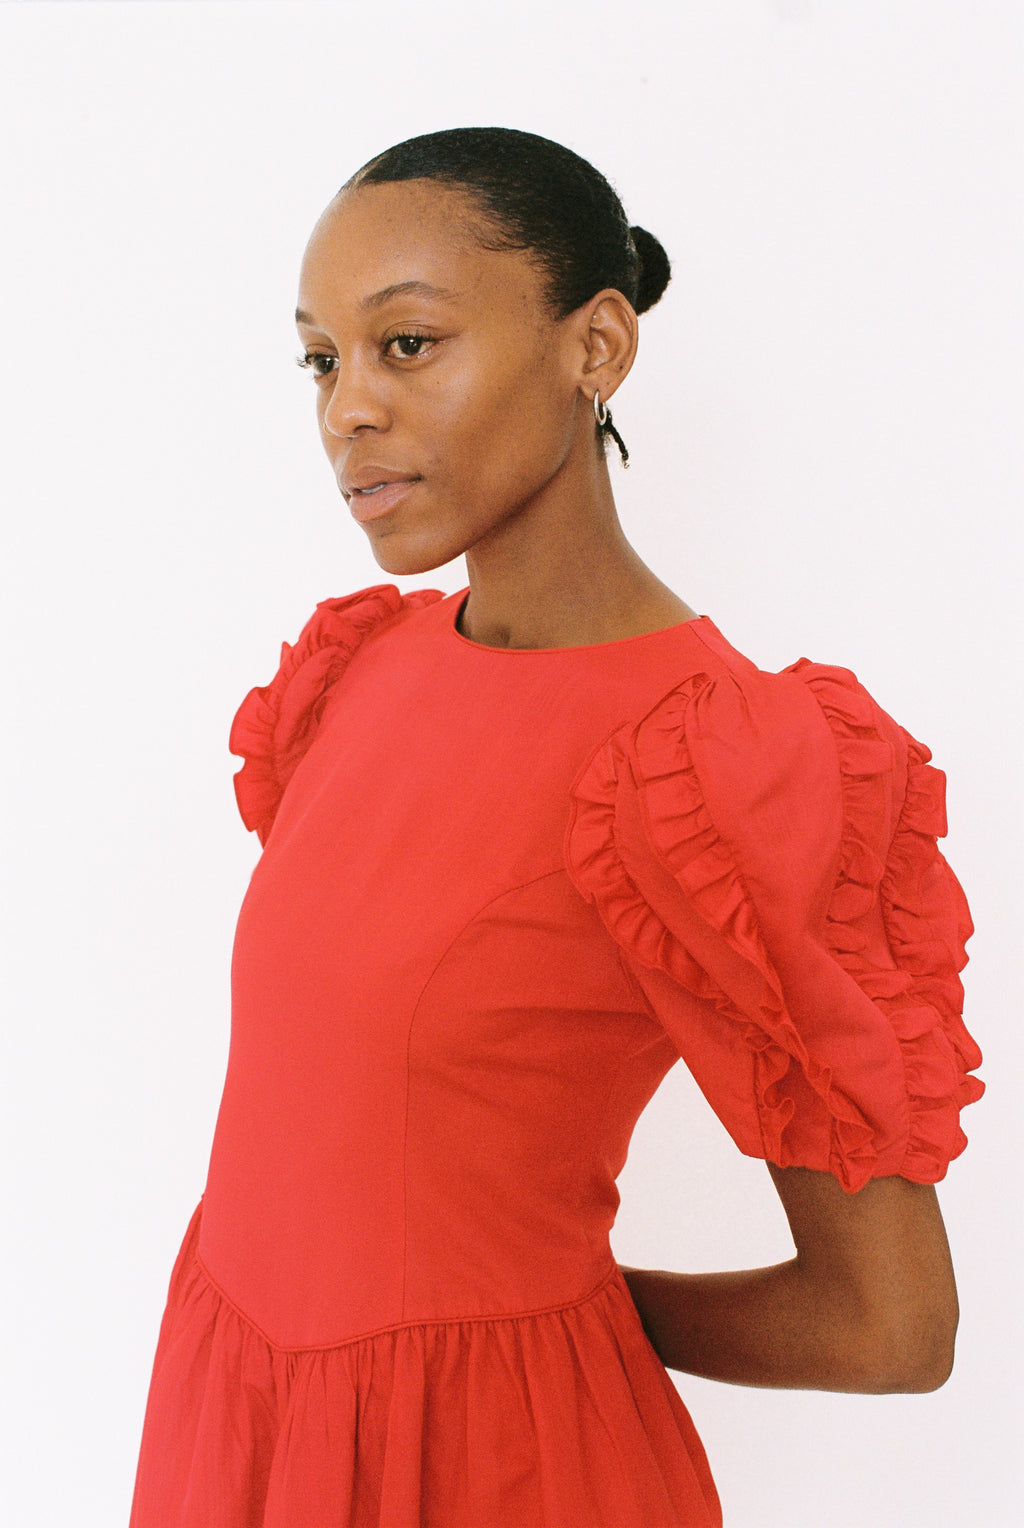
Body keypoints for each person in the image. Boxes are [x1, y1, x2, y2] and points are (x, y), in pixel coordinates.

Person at [128, 127, 983, 1528]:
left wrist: (536, 1324)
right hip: (239, 1423)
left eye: (407, 344)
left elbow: (889, 1328)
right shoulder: (364, 672)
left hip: (491, 1468)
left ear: (596, 347)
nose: (348, 408)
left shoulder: (708, 769)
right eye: (320, 359)